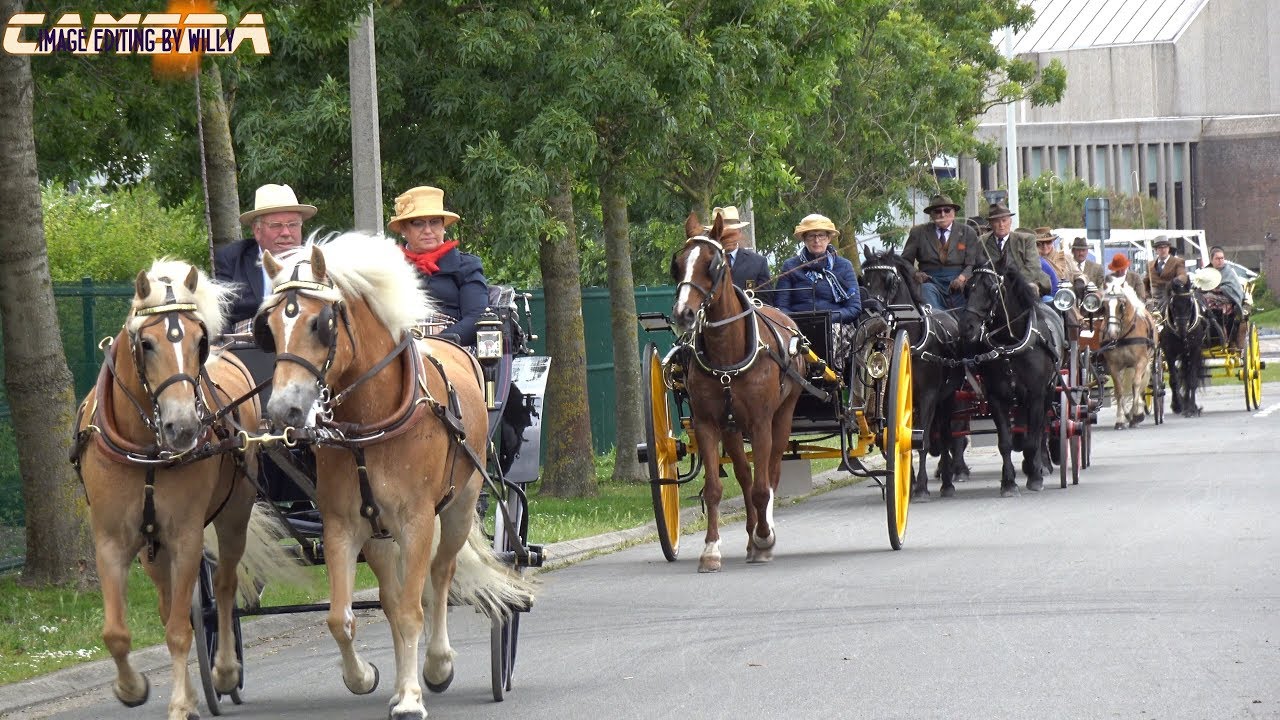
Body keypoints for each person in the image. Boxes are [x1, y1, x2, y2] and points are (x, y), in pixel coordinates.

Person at [389, 185, 489, 346]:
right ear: (403, 229)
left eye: (434, 222)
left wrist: (436, 343)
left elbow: (476, 316)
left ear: (443, 227)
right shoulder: (388, 266)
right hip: (395, 349)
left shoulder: (466, 265)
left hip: (453, 348)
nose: (428, 230)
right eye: (418, 223)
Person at [214, 183, 317, 329]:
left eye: (293, 224)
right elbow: (220, 317)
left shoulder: (316, 262)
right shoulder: (232, 259)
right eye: (276, 225)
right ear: (257, 230)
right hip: (244, 348)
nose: (286, 233)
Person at [900, 193, 978, 309]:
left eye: (947, 210)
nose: (943, 214)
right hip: (930, 282)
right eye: (937, 211)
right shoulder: (918, 232)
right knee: (926, 295)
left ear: (954, 212)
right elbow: (904, 261)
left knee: (974, 304)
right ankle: (934, 325)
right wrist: (915, 274)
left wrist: (962, 278)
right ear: (931, 215)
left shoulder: (968, 232)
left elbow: (972, 263)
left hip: (959, 283)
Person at [965, 202, 1051, 296]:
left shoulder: (1026, 240)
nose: (1001, 225)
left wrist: (1011, 285)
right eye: (997, 221)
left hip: (1023, 284)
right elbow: (975, 266)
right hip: (992, 288)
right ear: (990, 224)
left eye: (1004, 220)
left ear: (1010, 221)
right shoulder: (982, 242)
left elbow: (1033, 268)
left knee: (1031, 290)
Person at [707, 205, 770, 292]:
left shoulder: (758, 263)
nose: (727, 238)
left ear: (740, 232)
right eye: (722, 233)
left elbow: (765, 302)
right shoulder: (705, 263)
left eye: (731, 233)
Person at [1145, 235, 1188, 305]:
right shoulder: (1150, 265)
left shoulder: (1178, 262)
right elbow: (1145, 283)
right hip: (1153, 301)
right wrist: (1147, 296)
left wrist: (1176, 280)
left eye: (1165, 247)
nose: (1163, 250)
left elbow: (1183, 276)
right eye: (1160, 248)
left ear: (1169, 248)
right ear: (1156, 250)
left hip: (1171, 298)